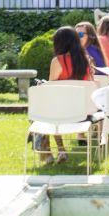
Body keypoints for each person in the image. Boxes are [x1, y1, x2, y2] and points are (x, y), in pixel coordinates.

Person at [37, 27, 94, 164]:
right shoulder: (87, 60)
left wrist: (42, 85)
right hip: (83, 113)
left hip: (61, 113)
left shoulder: (58, 61)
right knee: (53, 111)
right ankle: (54, 151)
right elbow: (90, 85)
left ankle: (53, 151)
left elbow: (51, 89)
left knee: (43, 112)